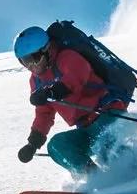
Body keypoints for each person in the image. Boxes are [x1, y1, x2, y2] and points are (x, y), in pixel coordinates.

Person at [13, 26, 130, 176]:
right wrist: (33, 143)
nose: (31, 66)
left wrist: (51, 92)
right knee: (57, 146)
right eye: (25, 61)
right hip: (84, 127)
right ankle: (95, 177)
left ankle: (136, 174)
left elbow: (74, 79)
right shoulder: (36, 81)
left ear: (47, 50)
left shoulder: (67, 57)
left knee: (107, 149)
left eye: (34, 58)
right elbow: (44, 113)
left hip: (106, 115)